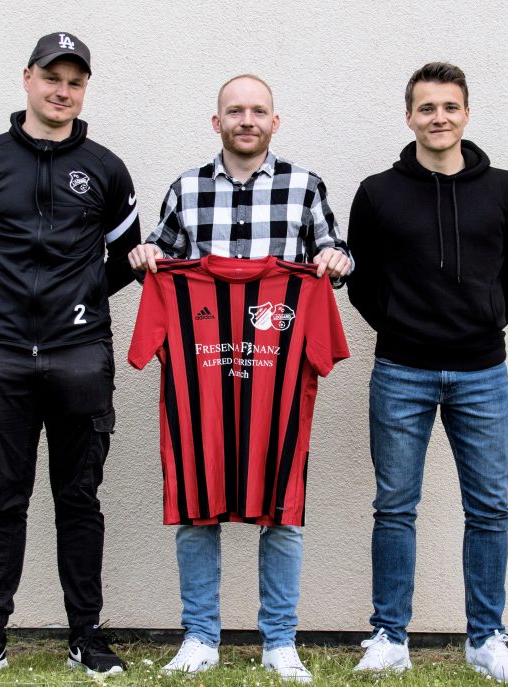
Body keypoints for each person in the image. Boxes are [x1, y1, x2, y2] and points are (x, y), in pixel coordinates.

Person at [128, 74, 352, 683]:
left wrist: (335, 262)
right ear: (217, 121)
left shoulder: (305, 187)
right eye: (235, 111)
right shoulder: (187, 187)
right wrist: (146, 257)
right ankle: (200, 636)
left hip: (275, 392)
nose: (246, 119)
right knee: (197, 506)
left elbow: (335, 255)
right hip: (198, 392)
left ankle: (279, 640)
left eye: (257, 111)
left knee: (282, 510)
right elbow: (159, 255)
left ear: (274, 121)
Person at [0, 32, 141, 680]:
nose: (62, 90)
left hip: (80, 357)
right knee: (4, 498)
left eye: (75, 81)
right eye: (52, 76)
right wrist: (3, 303)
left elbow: (125, 259)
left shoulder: (107, 168)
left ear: (84, 89)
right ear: (27, 77)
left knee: (79, 498)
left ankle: (87, 635)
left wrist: (77, 304)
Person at [346, 62, 508, 683]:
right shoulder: (377, 192)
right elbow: (364, 284)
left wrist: (482, 321)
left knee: (489, 508)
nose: (439, 118)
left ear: (466, 114)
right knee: (395, 506)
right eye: (427, 108)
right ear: (409, 117)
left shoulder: (505, 189)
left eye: (450, 107)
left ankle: (486, 639)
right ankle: (389, 636)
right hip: (402, 370)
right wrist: (402, 325)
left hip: (483, 373)